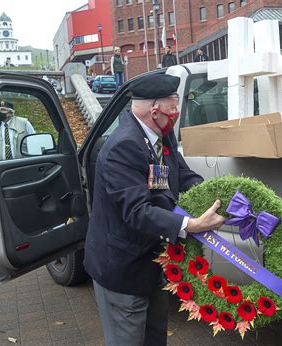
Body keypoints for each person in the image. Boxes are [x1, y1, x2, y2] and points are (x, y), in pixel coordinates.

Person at [84, 74, 225, 346]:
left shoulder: (161, 132)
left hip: (155, 262)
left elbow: (181, 174)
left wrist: (212, 196)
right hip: (123, 269)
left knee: (155, 337)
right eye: (173, 108)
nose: (177, 114)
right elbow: (137, 211)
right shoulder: (123, 147)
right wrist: (190, 225)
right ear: (155, 110)